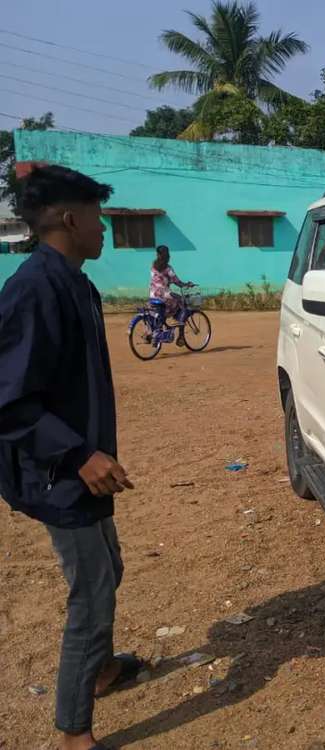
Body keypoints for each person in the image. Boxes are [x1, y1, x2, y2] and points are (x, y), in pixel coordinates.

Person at [0, 165, 142, 750]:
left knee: (110, 567)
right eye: (98, 215)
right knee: (92, 592)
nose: (104, 226)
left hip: (84, 467)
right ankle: (72, 731)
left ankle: (103, 669)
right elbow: (8, 401)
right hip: (59, 472)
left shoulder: (76, 283)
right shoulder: (32, 290)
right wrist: (79, 453)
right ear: (69, 219)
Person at [149, 244, 193, 321]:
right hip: (164, 294)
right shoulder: (168, 268)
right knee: (181, 300)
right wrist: (186, 284)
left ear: (157, 255)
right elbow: (177, 282)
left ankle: (163, 319)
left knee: (165, 307)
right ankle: (178, 321)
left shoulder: (153, 266)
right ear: (167, 255)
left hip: (152, 294)